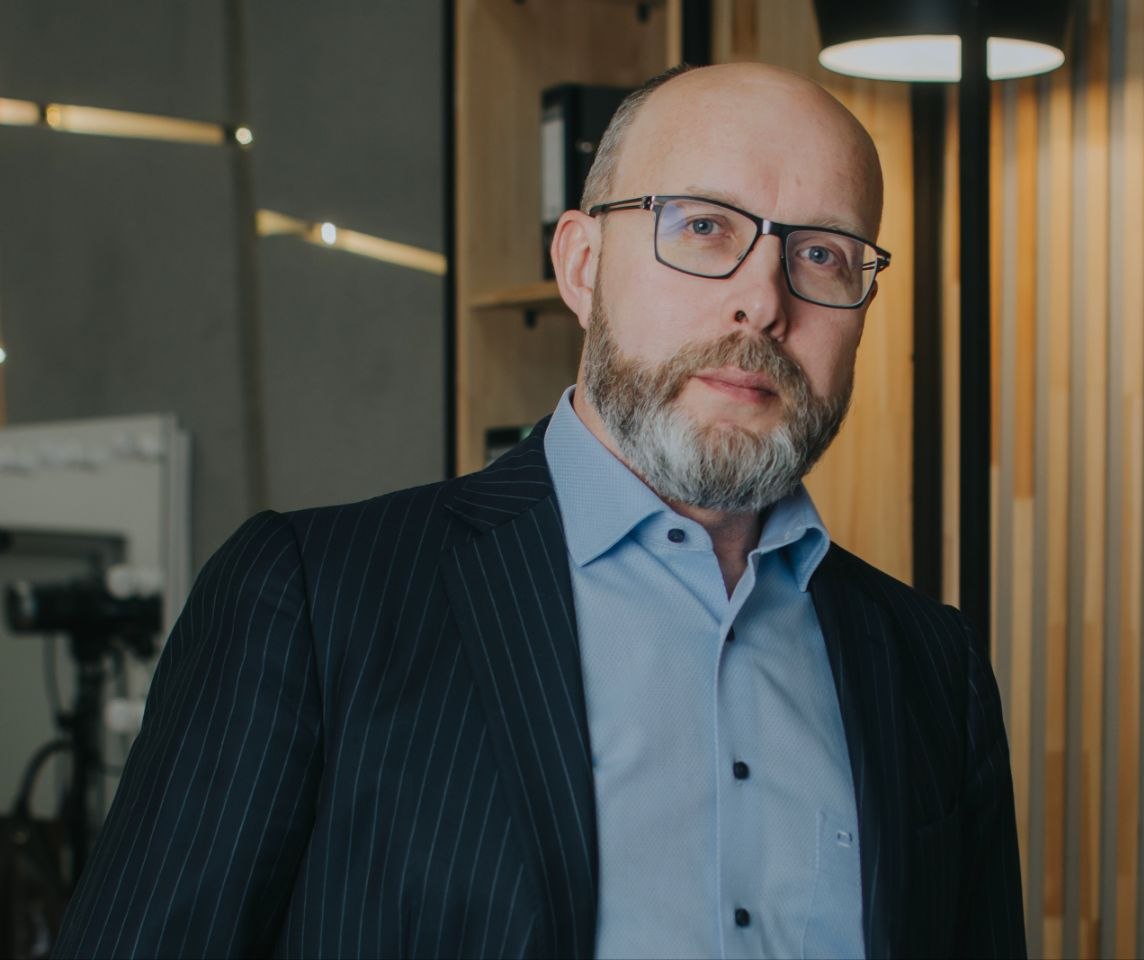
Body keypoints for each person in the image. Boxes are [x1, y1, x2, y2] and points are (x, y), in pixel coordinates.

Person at [52, 62, 1024, 959]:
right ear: (581, 265)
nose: (763, 303)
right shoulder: (314, 598)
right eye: (703, 228)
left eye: (820, 253)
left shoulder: (932, 671)